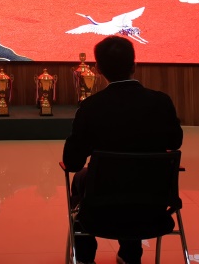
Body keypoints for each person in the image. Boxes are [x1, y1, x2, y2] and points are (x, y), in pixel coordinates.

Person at [62, 36, 183, 264]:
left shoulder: (90, 107)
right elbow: (175, 142)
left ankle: (85, 256)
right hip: (153, 208)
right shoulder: (161, 102)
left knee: (80, 178)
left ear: (98, 69)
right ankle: (130, 254)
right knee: (136, 177)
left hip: (101, 211)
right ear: (134, 65)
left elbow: (73, 162)